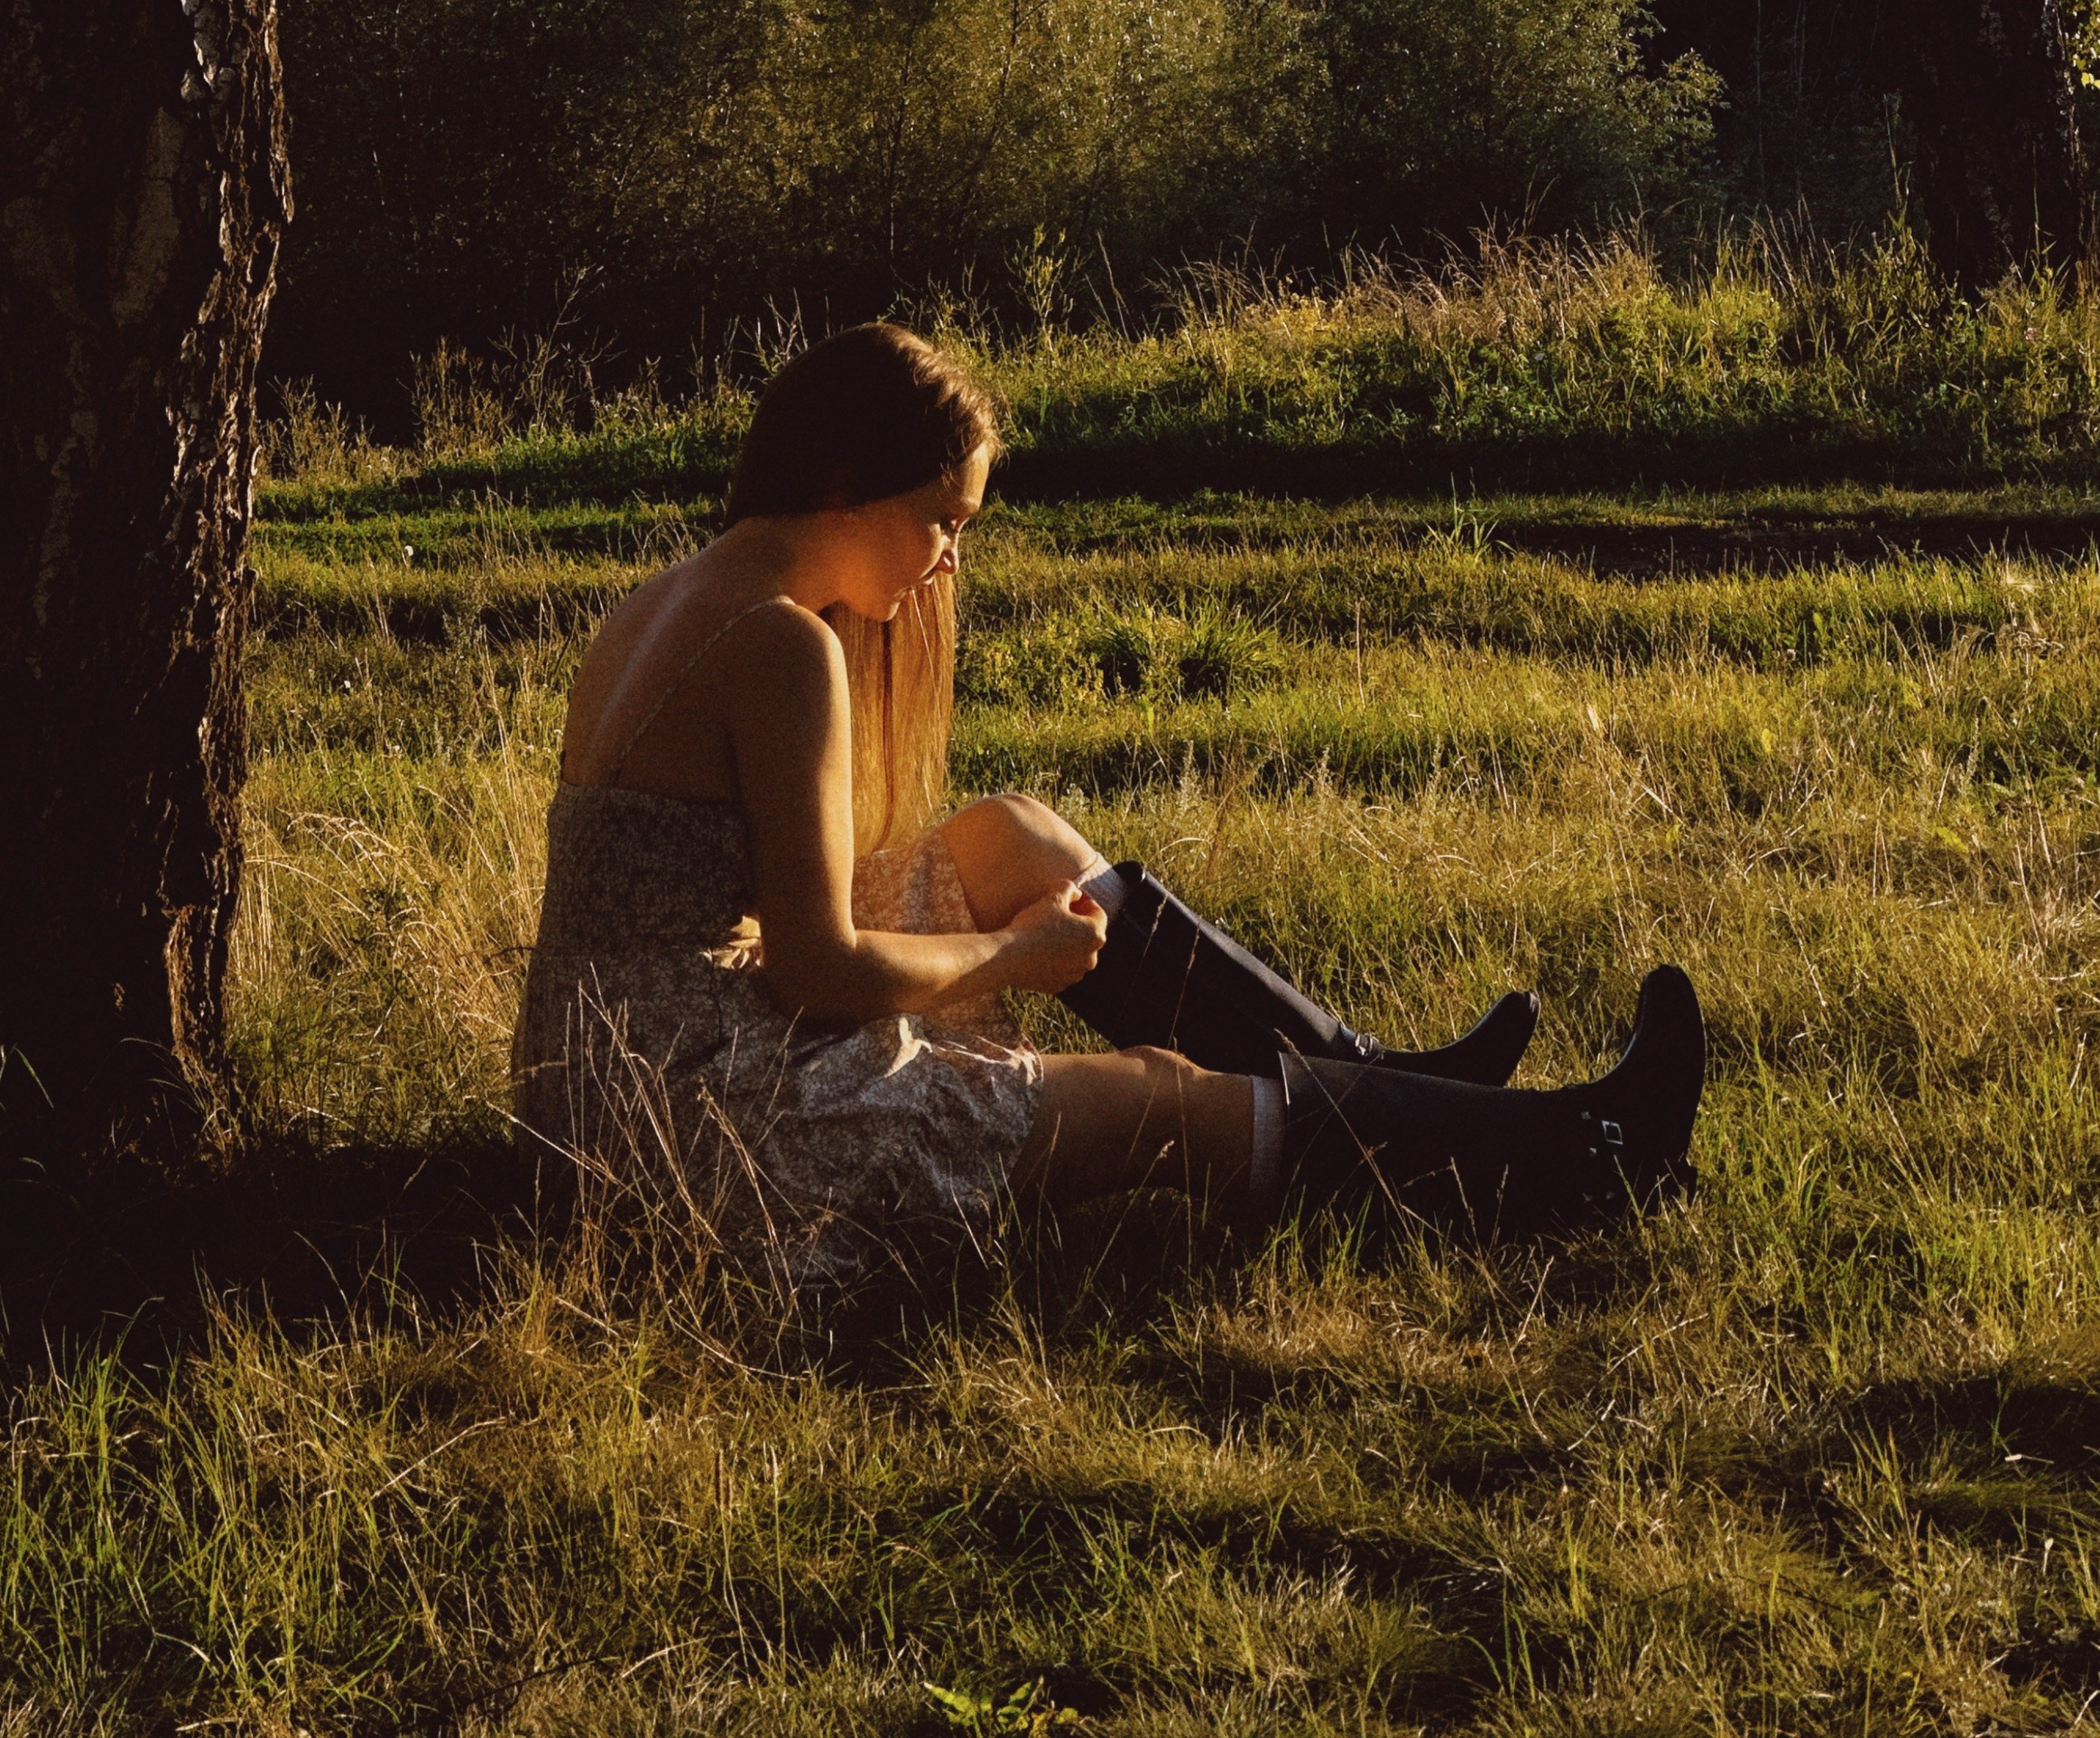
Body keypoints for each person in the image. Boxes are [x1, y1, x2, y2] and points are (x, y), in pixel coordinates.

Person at [512, 322, 1705, 1286]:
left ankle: (1383, 1083)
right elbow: (819, 969)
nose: (948, 561)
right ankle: (1593, 1155)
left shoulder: (672, 596)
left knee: (1009, 835)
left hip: (604, 1079)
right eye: (941, 518)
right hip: (702, 1125)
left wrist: (1009, 922)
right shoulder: (779, 646)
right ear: (844, 482)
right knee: (1163, 1098)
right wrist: (1017, 955)